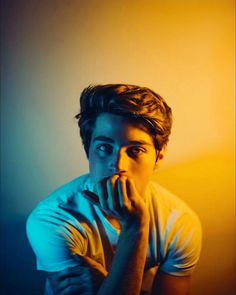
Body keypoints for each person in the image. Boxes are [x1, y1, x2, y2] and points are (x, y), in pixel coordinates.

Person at [26, 84, 202, 295]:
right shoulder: (52, 219)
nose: (118, 165)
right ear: (87, 149)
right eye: (104, 147)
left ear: (158, 157)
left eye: (135, 150)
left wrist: (135, 226)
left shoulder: (180, 223)